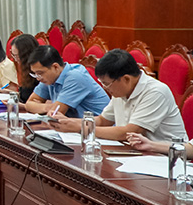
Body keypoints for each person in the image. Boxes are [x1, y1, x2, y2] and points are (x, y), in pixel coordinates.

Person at [48, 49, 186, 142]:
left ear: (126, 79)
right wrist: (69, 122)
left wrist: (80, 128)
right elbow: (103, 120)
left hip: (165, 158)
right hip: (134, 153)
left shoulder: (156, 92)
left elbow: (129, 132)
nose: (105, 88)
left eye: (107, 84)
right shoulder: (120, 90)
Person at [23, 46, 108, 117]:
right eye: (35, 74)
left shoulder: (75, 77)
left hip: (97, 128)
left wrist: (42, 107)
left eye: (40, 73)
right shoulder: (48, 78)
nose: (38, 78)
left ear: (55, 67)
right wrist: (48, 107)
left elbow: (56, 113)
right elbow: (29, 104)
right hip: (75, 126)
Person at [10, 33, 40, 103]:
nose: (15, 59)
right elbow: (25, 96)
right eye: (13, 55)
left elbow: (34, 101)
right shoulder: (25, 69)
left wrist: (21, 105)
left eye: (17, 56)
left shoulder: (38, 72)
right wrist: (9, 93)